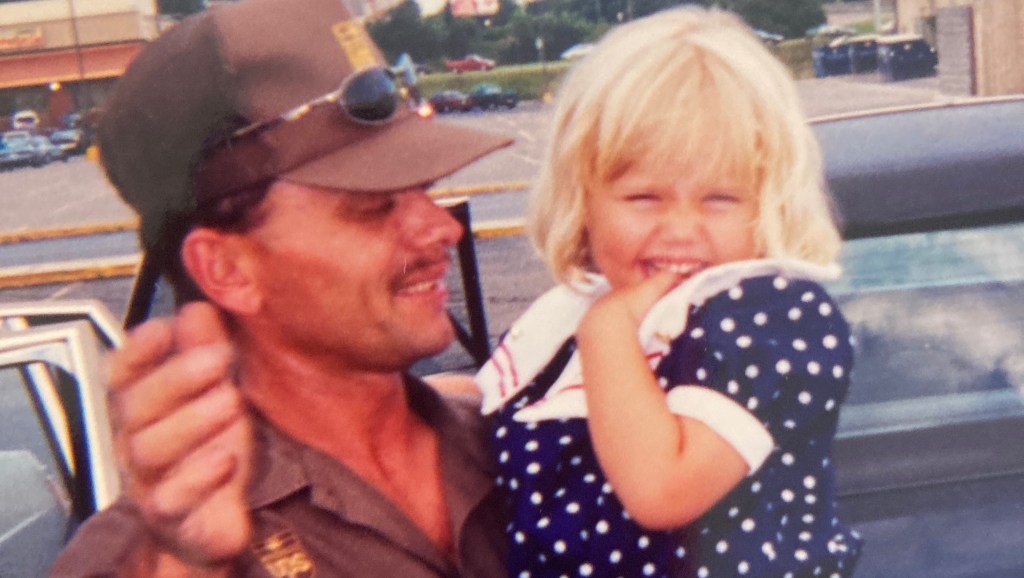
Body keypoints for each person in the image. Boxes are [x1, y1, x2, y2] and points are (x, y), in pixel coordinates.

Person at [49, 0, 513, 575]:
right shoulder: (150, 555)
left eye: (426, 188)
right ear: (227, 270)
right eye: (373, 208)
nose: (442, 228)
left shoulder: (519, 444)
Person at [474, 7, 862, 577]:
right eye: (644, 198)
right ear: (584, 206)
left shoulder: (771, 321)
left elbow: (662, 491)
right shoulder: (571, 316)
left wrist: (607, 332)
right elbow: (495, 402)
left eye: (720, 199)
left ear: (771, 205)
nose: (681, 229)